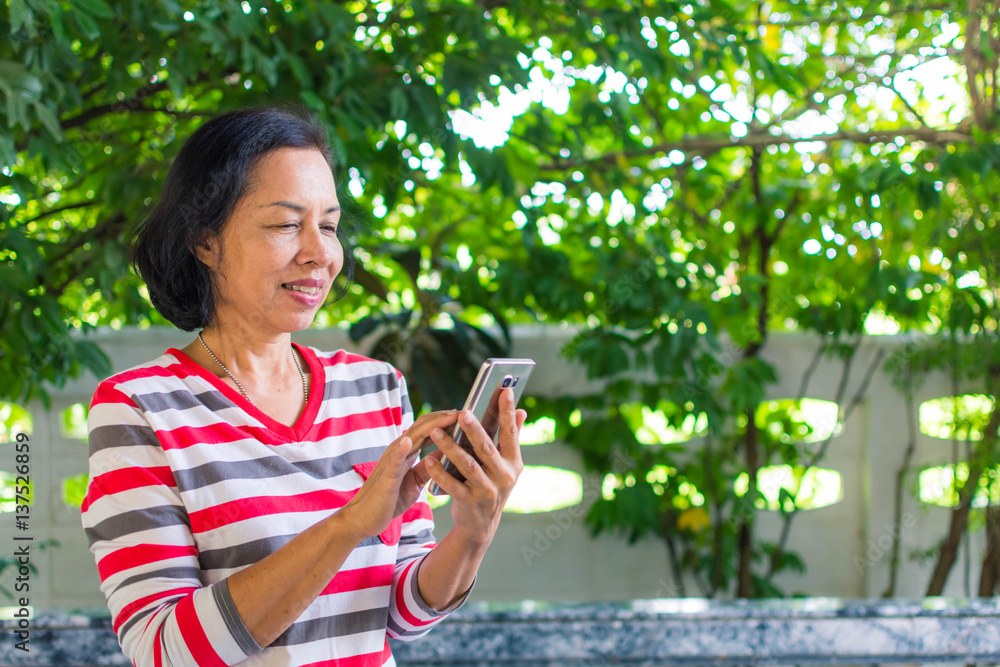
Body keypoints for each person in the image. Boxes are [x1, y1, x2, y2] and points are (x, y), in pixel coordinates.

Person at [81, 107, 528, 666]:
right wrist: (347, 526)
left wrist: (473, 531)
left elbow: (399, 614)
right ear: (205, 243)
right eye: (286, 224)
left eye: (330, 225)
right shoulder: (138, 409)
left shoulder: (375, 388)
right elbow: (163, 649)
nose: (320, 252)